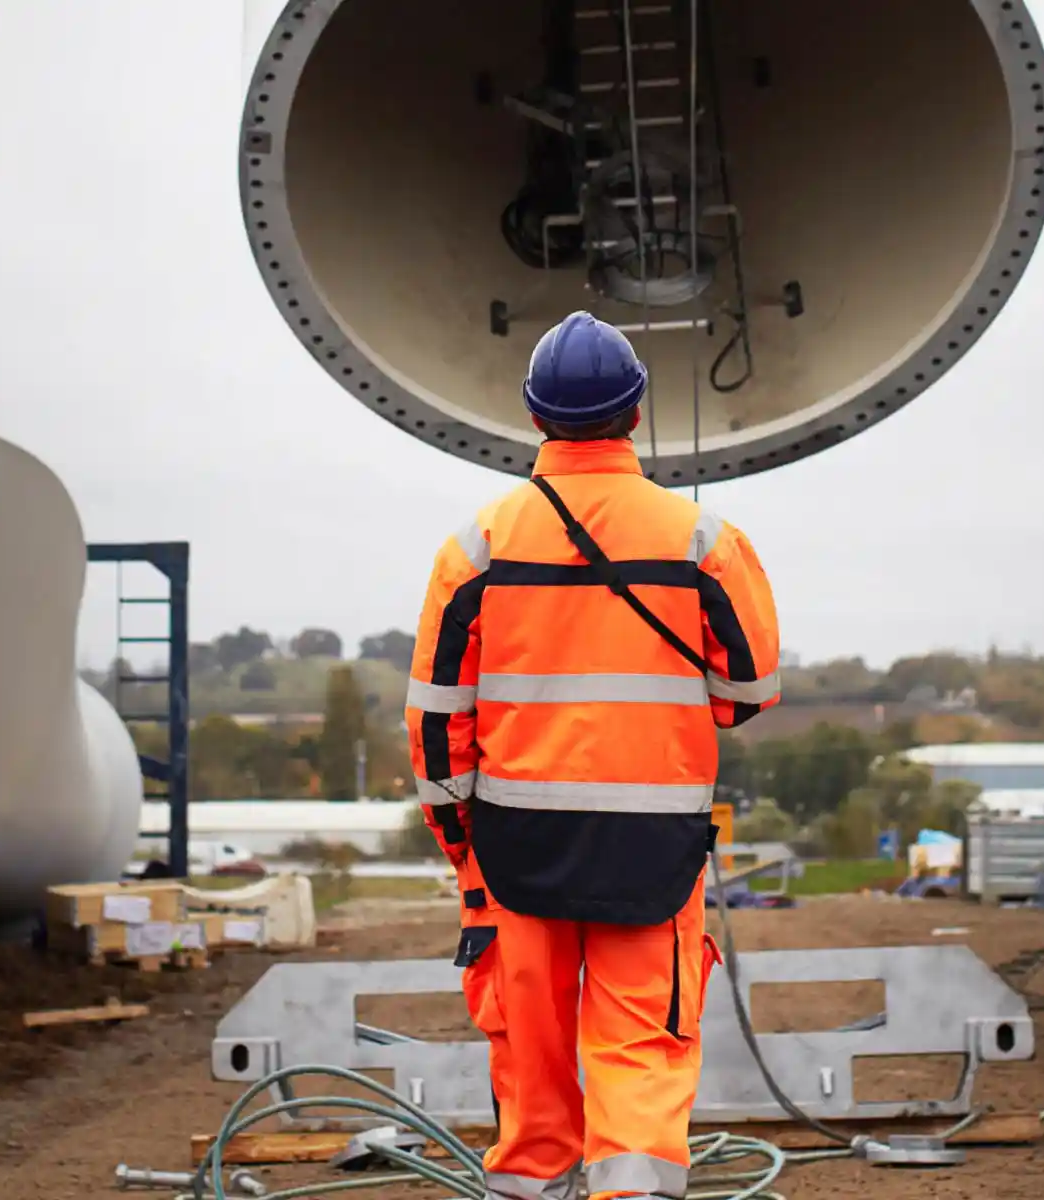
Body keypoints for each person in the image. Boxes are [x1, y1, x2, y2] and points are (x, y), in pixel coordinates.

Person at [404, 311, 781, 1200]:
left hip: (515, 851)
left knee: (533, 1086)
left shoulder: (478, 547)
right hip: (652, 855)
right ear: (636, 414)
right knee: (639, 1060)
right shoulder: (702, 543)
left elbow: (434, 726)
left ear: (535, 418)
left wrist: (465, 850)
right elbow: (752, 691)